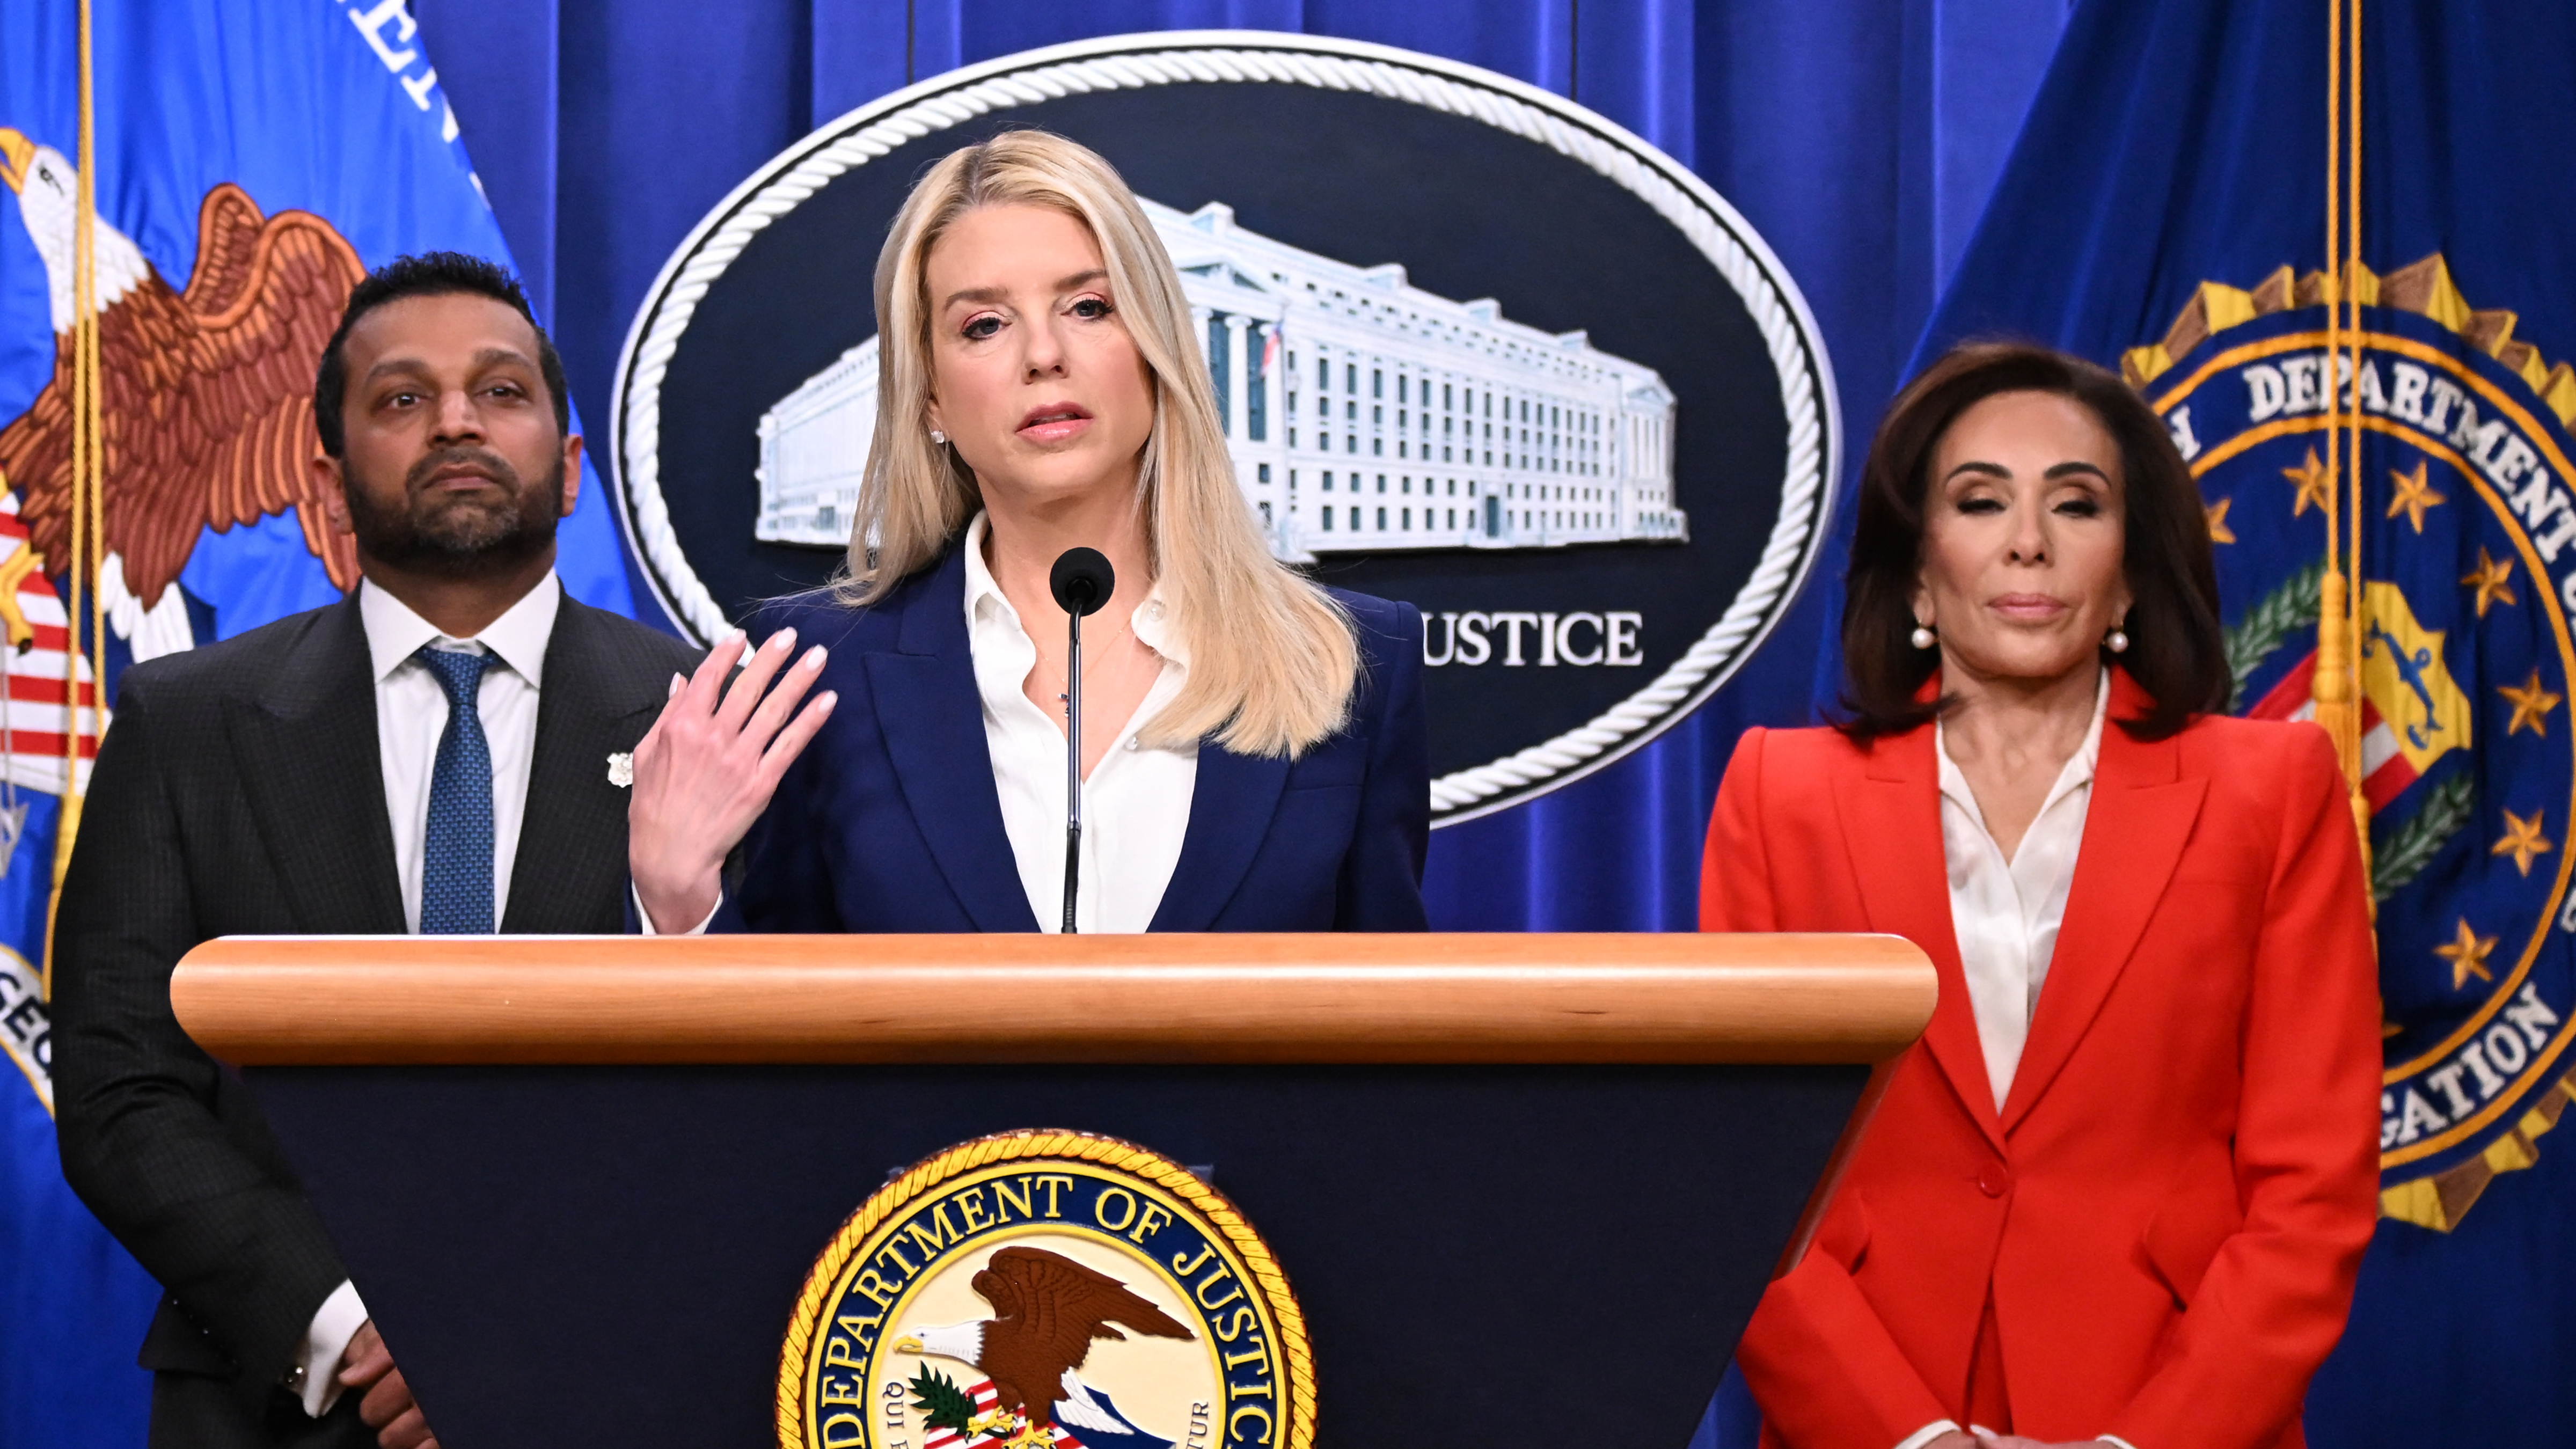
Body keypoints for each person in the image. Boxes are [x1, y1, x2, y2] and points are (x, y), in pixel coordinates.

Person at [53, 253, 700, 1449]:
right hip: (278, 1403)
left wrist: (533, 1323)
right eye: (402, 399)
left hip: (619, 1385)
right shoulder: (186, 721)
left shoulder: (710, 718)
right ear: (330, 482)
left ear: (568, 473)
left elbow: (751, 1094)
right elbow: (118, 1088)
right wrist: (353, 1326)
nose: (456, 418)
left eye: (501, 392)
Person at [1700, 342, 2380, 1449]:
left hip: (2172, 1408)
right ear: (1918, 569)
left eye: (2076, 504)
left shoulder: (2272, 789)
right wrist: (1906, 1438)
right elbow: (1738, 1180)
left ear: (2129, 569)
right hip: (1870, 1410)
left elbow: (2314, 1186)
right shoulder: (1784, 795)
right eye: (1980, 501)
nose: (2028, 540)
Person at [626, 130, 1427, 935]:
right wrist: (678, 901)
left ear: (1156, 350)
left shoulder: (1349, 658)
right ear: (931, 398)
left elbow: (1392, 1025)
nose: (1044, 355)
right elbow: (771, 1029)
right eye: (984, 325)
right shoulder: (815, 667)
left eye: (1088, 307)